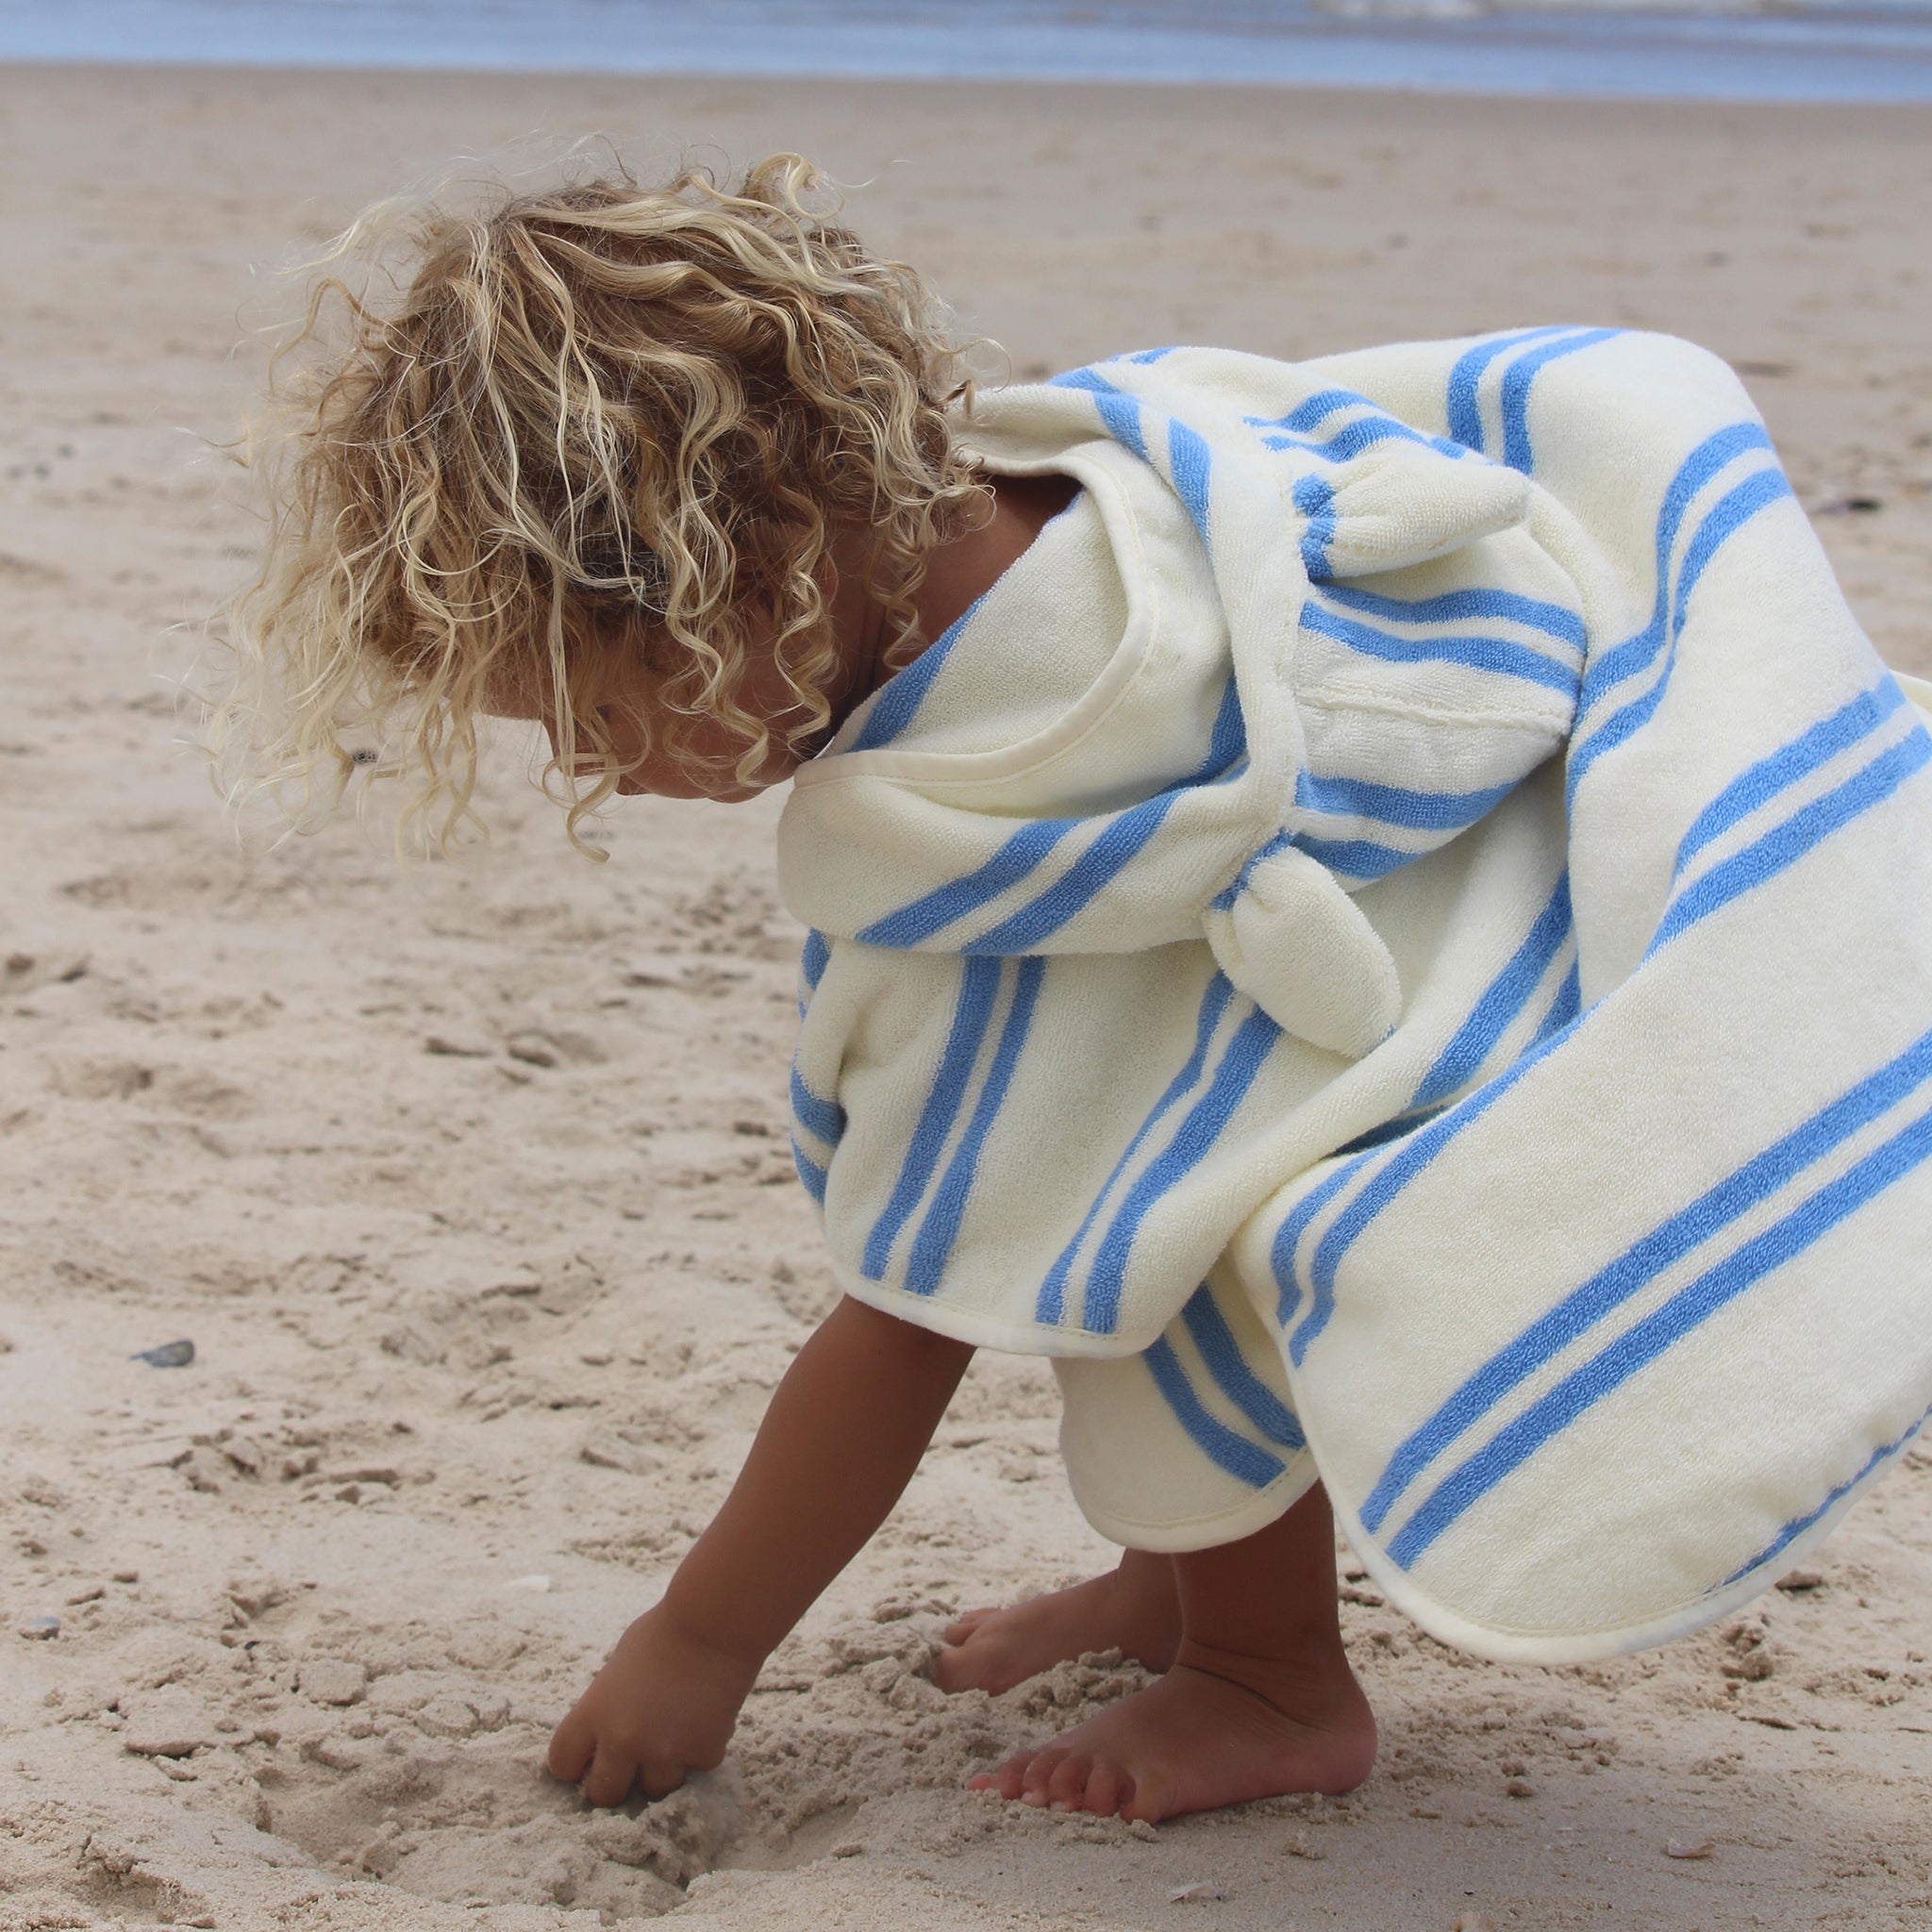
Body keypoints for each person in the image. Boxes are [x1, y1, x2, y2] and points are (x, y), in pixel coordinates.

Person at [212, 155, 1932, 1825]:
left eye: (584, 708)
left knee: (1143, 1210)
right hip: (1502, 884)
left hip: (1494, 1078)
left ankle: (1267, 1679)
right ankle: (1171, 1582)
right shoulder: (1131, 487)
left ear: (750, 566)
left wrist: (701, 1639)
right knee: (1151, 1093)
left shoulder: (1024, 802)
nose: (595, 770)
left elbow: (908, 1317)